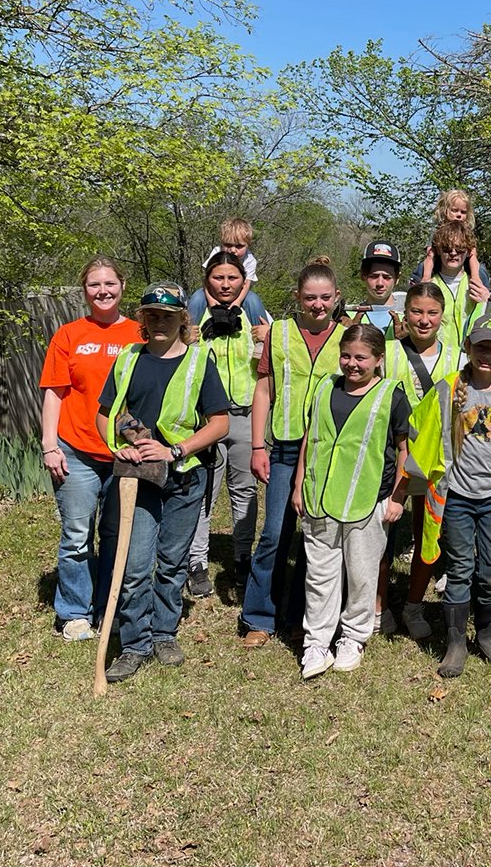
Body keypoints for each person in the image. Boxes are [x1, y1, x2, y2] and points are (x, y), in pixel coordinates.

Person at [95, 283, 230, 683]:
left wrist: (176, 450)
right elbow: (106, 413)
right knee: (135, 565)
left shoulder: (198, 362)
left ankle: (163, 633)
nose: (159, 322)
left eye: (168, 316)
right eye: (152, 315)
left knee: (171, 563)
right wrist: (122, 444)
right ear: (143, 319)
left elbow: (219, 423)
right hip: (137, 479)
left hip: (185, 478)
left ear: (182, 320)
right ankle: (135, 643)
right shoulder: (127, 359)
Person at [404, 314, 491, 678]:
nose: (486, 354)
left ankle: (487, 633)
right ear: (467, 346)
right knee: (461, 569)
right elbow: (420, 431)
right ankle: (455, 642)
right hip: (458, 498)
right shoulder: (447, 389)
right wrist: (406, 477)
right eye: (480, 345)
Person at [291, 324, 411, 679]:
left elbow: (405, 450)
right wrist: (299, 484)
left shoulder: (391, 395)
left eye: (361, 357)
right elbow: (310, 438)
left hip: (367, 502)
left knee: (361, 575)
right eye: (346, 355)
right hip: (319, 499)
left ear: (377, 359)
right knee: (319, 575)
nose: (352, 364)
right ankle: (316, 642)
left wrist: (397, 496)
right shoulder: (325, 386)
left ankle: (354, 636)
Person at [241, 257, 345, 649]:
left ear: (336, 297)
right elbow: (264, 390)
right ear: (297, 298)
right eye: (309, 298)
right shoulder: (279, 334)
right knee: (273, 534)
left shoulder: (349, 336)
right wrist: (256, 446)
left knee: (316, 539)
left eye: (324, 298)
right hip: (284, 448)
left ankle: (304, 617)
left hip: (326, 451)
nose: (317, 305)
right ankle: (259, 617)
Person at [39, 257, 141, 641]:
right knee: (78, 535)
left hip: (122, 454)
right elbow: (54, 392)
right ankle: (74, 612)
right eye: (94, 285)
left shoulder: (139, 333)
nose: (103, 291)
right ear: (84, 290)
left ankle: (108, 608)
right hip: (76, 449)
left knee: (117, 534)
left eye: (109, 284)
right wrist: (50, 445)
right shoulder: (68, 335)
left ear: (122, 286)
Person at [381, 282, 463, 640]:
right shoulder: (387, 353)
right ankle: (377, 606)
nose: (424, 320)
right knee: (382, 534)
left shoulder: (458, 357)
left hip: (438, 461)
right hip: (394, 456)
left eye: (432, 313)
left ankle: (414, 605)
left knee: (427, 534)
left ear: (442, 316)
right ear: (405, 313)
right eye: (416, 312)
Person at [185, 253, 270, 598]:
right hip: (207, 419)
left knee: (244, 491)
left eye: (232, 278)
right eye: (218, 278)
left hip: (246, 415)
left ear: (242, 281)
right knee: (204, 490)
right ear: (208, 280)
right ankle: (197, 562)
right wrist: (187, 339)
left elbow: (273, 360)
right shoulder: (193, 317)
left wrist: (267, 336)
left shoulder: (254, 314)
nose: (225, 284)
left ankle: (241, 557)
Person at [415, 220, 490, 349]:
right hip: (437, 358)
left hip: (470, 359)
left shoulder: (477, 286)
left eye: (460, 249)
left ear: (468, 252)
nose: (453, 253)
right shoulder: (429, 285)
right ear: (437, 250)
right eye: (447, 248)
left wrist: (487, 303)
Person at [410, 188, 484, 285]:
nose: (459, 215)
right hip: (438, 261)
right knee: (421, 267)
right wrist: (426, 276)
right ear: (445, 211)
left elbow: (473, 255)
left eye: (463, 212)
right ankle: (417, 285)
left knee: (481, 270)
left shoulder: (467, 231)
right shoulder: (437, 230)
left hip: (463, 262)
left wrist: (475, 277)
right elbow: (430, 255)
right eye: (454, 210)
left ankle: (486, 290)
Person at [351, 240, 405, 341]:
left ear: (397, 278)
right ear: (363, 276)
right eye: (374, 276)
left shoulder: (408, 317)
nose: (380, 283)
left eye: (386, 277)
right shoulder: (350, 316)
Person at [203, 217, 259, 309]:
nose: (233, 250)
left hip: (239, 293)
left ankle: (262, 323)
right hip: (212, 291)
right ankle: (190, 323)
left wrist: (238, 301)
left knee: (253, 301)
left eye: (239, 246)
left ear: (248, 245)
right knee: (197, 299)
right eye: (228, 245)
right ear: (222, 243)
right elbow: (206, 279)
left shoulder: (250, 260)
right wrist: (210, 299)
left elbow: (247, 284)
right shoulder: (216, 252)